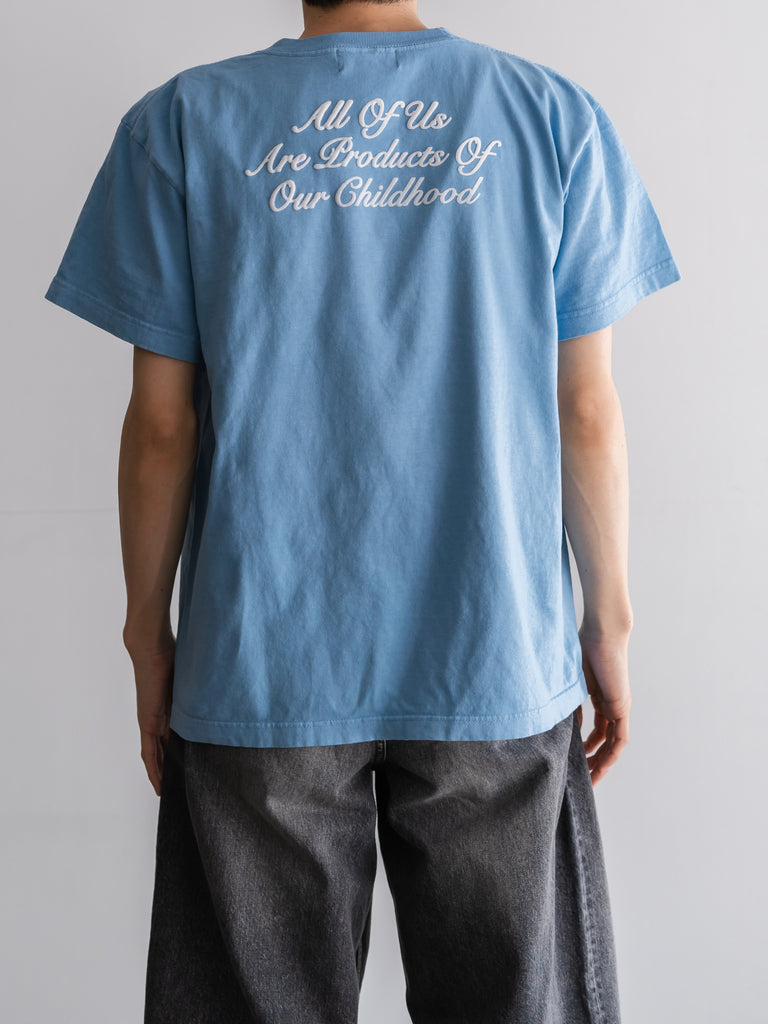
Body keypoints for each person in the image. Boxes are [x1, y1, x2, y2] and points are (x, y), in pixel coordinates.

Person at [43, 1, 681, 1020]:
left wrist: (147, 634)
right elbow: (587, 410)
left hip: (262, 663)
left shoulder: (183, 124)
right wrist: (608, 620)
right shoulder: (550, 116)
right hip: (493, 659)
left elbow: (162, 425)